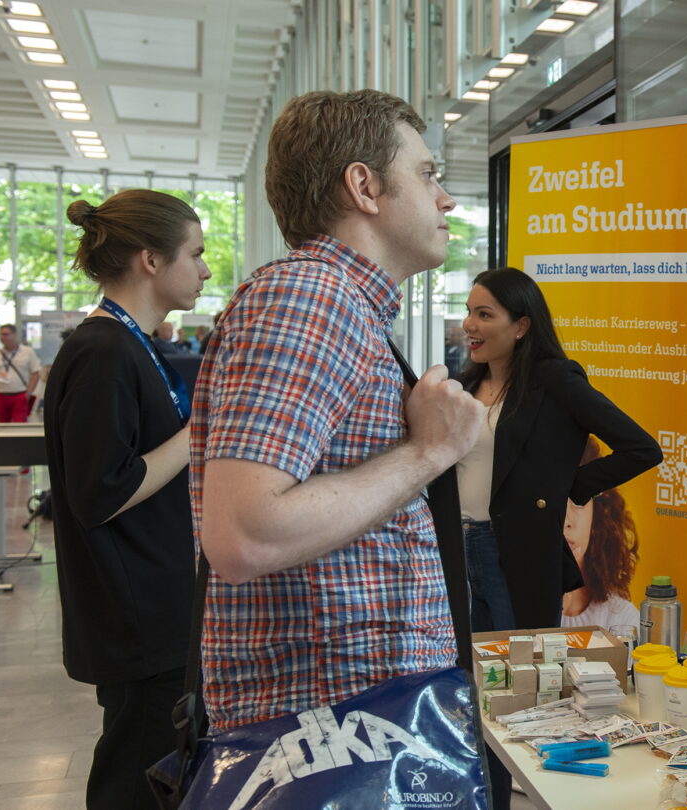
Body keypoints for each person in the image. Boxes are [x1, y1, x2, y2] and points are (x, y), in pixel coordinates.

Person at [191, 89, 485, 733]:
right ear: (364, 186)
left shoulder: (342, 304)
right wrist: (430, 451)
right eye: (428, 174)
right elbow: (244, 535)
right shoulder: (309, 297)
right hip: (332, 727)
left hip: (355, 715)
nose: (446, 199)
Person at [43, 189, 210, 808]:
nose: (205, 269)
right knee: (133, 778)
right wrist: (197, 435)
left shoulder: (130, 344)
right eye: (195, 254)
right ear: (150, 259)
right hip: (134, 614)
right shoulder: (103, 351)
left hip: (155, 603)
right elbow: (99, 492)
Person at [455, 266, 661, 633]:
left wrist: (570, 486)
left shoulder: (555, 380)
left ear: (521, 326)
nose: (469, 324)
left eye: (484, 315)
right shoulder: (464, 385)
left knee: (520, 673)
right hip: (458, 547)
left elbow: (642, 448)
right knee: (470, 673)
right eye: (469, 311)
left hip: (516, 552)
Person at [560, 437, 643, 631]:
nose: (566, 521)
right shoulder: (503, 609)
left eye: (579, 502)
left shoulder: (621, 618)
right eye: (554, 503)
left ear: (596, 516)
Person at [0, 323, 42, 422]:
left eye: (6, 334)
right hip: (0, 395)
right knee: (2, 425)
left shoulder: (27, 352)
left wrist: (28, 393)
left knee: (20, 424)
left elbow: (35, 374)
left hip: (20, 395)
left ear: (14, 335)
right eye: (1, 334)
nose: (3, 337)